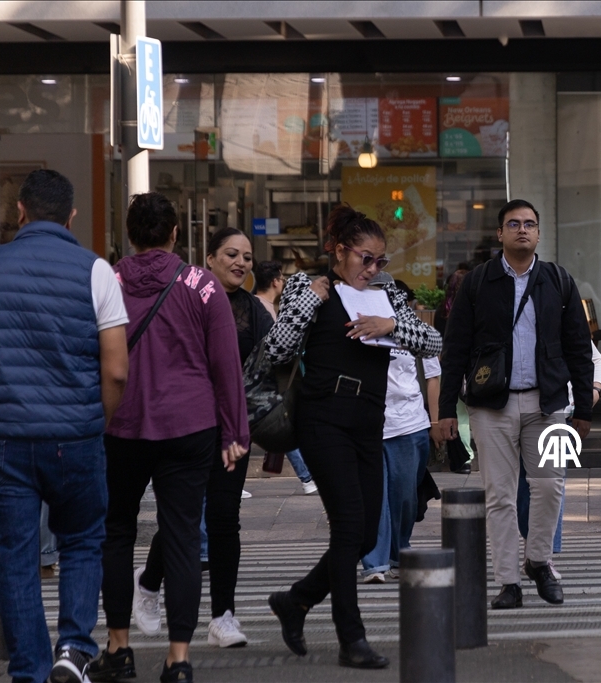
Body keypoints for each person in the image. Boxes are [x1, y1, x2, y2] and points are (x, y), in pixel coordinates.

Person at [0, 169, 129, 683]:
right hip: (76, 435)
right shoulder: (96, 271)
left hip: (4, 439)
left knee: (17, 553)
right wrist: (98, 420)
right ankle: (73, 649)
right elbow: (116, 368)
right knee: (82, 541)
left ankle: (28, 668)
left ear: (20, 211)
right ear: (71, 216)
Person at [264, 205, 441, 669]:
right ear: (339, 252)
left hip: (369, 421)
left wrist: (392, 326)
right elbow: (276, 348)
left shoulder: (388, 294)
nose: (373, 269)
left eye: (381, 261)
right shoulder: (307, 286)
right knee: (348, 526)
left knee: (364, 536)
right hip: (322, 420)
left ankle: (296, 600)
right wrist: (310, 302)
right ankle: (351, 638)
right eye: (365, 258)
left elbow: (434, 341)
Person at [90, 193, 248, 683]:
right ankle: (178, 659)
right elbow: (226, 365)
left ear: (131, 235)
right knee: (181, 537)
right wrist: (235, 430)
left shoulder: (109, 281)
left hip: (121, 425)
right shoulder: (202, 285)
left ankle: (119, 647)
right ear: (176, 233)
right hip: (191, 426)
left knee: (116, 533)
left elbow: (90, 355)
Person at [438, 198, 594, 610]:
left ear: (539, 233)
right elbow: (454, 350)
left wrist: (584, 410)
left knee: (548, 486)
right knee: (500, 495)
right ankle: (508, 581)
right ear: (500, 234)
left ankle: (539, 561)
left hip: (549, 404)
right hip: (492, 406)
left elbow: (579, 347)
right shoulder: (477, 283)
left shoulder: (558, 281)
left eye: (529, 224)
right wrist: (442, 412)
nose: (522, 229)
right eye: (514, 224)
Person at [134, 228, 271, 650]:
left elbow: (275, 354)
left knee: (225, 519)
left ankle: (223, 617)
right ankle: (149, 582)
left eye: (247, 257)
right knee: (185, 516)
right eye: (231, 254)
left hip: (232, 427)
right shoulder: (187, 295)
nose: (241, 263)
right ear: (208, 258)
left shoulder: (253, 308)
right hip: (187, 423)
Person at [361, 277, 441, 584]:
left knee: (405, 498)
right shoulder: (353, 326)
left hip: (409, 425)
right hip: (368, 424)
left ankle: (398, 552)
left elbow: (433, 376)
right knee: (374, 496)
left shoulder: (409, 329)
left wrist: (435, 422)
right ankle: (375, 562)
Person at [515, 341, 601, 578]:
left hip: (557, 414)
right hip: (514, 414)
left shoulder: (561, 314)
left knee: (553, 485)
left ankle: (543, 557)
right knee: (521, 488)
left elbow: (596, 360)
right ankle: (532, 549)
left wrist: (594, 390)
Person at [253, 260, 318, 495]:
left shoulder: (259, 305)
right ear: (275, 281)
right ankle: (307, 477)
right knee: (280, 424)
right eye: (281, 279)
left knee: (279, 424)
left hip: (263, 381)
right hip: (265, 381)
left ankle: (307, 477)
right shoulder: (264, 309)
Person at [434, 268, 473, 474]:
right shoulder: (472, 307)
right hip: (467, 368)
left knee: (456, 412)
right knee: (464, 415)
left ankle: (460, 455)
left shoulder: (442, 311)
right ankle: (466, 455)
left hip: (444, 367)